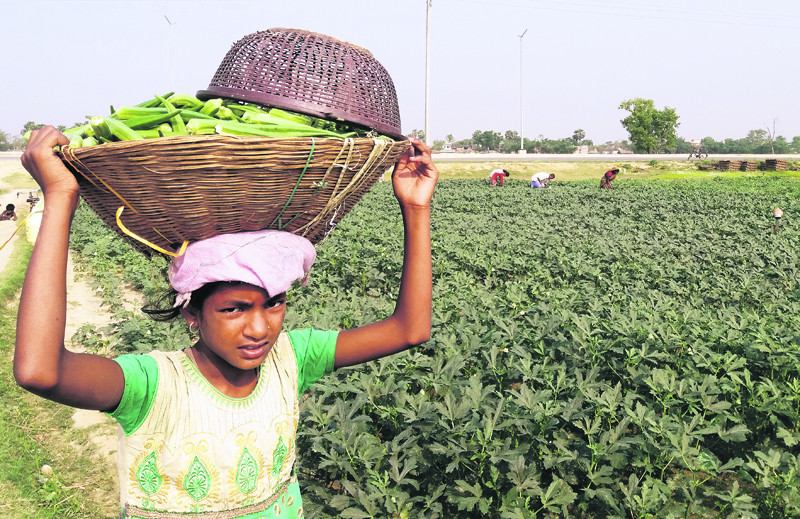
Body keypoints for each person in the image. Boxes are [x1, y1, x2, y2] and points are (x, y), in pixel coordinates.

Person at [15, 126, 438, 518]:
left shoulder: (294, 358)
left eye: (274, 303)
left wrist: (416, 208)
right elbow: (39, 371)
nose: (259, 328)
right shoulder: (152, 384)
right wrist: (60, 195)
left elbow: (409, 330)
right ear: (192, 313)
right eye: (233, 309)